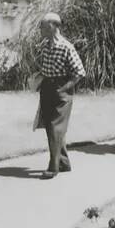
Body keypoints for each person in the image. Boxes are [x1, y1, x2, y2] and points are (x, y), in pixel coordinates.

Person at [31, 13, 86, 179]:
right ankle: (63, 162)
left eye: (42, 26)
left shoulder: (66, 46)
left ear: (52, 27)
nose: (40, 29)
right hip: (47, 87)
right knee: (50, 126)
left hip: (60, 89)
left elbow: (79, 72)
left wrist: (65, 88)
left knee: (56, 127)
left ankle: (53, 167)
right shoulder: (46, 44)